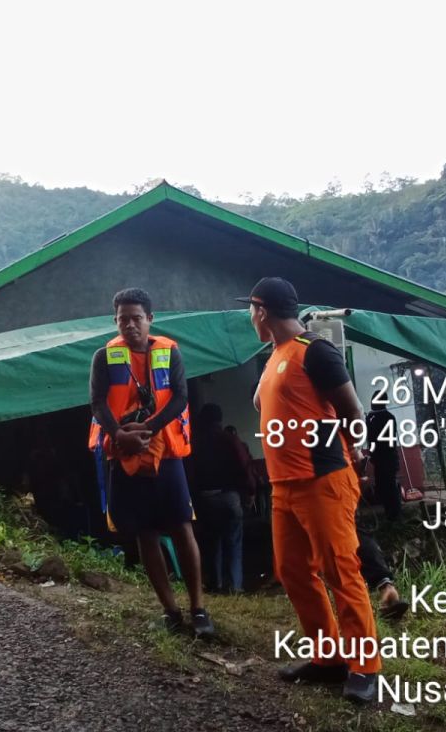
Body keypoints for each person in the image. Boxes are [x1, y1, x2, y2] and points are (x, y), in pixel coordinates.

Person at [240, 277, 380, 701]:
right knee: (293, 572)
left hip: (322, 481)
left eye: (251, 310)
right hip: (283, 485)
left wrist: (358, 455)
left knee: (341, 571)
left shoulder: (315, 351)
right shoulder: (273, 357)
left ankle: (365, 667)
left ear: (261, 311)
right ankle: (329, 657)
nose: (250, 317)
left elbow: (353, 410)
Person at [88, 288, 215, 637]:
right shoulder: (104, 357)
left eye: (136, 318)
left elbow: (180, 396)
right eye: (122, 319)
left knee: (181, 525)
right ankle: (170, 611)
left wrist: (147, 428)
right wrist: (119, 435)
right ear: (115, 321)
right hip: (125, 453)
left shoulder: (169, 351)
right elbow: (97, 404)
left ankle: (199, 608)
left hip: (165, 453)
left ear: (150, 319)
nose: (129, 325)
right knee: (145, 532)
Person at [190, 403, 251, 593]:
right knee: (233, 541)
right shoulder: (229, 439)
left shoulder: (194, 443)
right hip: (229, 496)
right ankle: (235, 585)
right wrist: (250, 492)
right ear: (220, 419)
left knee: (211, 542)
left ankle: (215, 583)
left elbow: (189, 473)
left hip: (205, 499)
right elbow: (244, 465)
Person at [363, 396, 402, 521]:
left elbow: (372, 436)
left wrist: (368, 421)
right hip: (385, 458)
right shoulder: (387, 417)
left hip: (385, 458)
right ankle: (391, 515)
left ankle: (394, 516)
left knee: (388, 486)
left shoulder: (379, 418)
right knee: (384, 485)